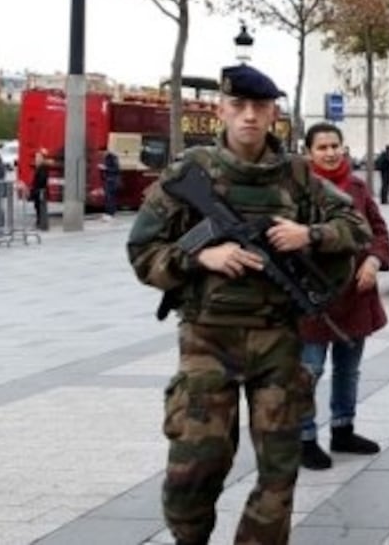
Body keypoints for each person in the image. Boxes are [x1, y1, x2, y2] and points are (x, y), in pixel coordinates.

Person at [126, 64, 369, 545]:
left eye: (260, 107)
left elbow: (356, 226)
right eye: (238, 106)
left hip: (278, 340)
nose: (249, 117)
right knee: (195, 469)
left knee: (280, 472)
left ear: (274, 114)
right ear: (222, 109)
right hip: (206, 339)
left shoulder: (298, 175)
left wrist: (310, 233)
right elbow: (142, 253)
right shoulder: (190, 172)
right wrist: (200, 256)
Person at [299, 122, 389, 471]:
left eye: (334, 145)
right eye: (321, 147)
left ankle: (343, 428)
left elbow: (379, 232)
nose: (330, 152)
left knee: (348, 370)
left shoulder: (357, 187)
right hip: (313, 298)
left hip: (355, 295)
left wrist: (373, 259)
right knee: (310, 369)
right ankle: (305, 437)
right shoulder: (297, 189)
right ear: (309, 152)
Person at [30, 149, 49, 231]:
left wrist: (36, 188)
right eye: (36, 158)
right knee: (37, 207)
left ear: (42, 159)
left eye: (38, 158)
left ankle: (41, 223)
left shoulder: (42, 168)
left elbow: (41, 180)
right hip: (38, 191)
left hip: (40, 191)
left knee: (40, 207)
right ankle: (40, 222)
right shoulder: (39, 168)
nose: (36, 159)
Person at [101, 148, 121, 220]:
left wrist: (106, 168)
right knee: (108, 197)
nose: (102, 154)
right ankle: (108, 213)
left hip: (112, 180)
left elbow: (116, 169)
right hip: (109, 180)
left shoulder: (113, 158)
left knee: (110, 197)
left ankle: (110, 213)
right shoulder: (107, 158)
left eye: (103, 152)